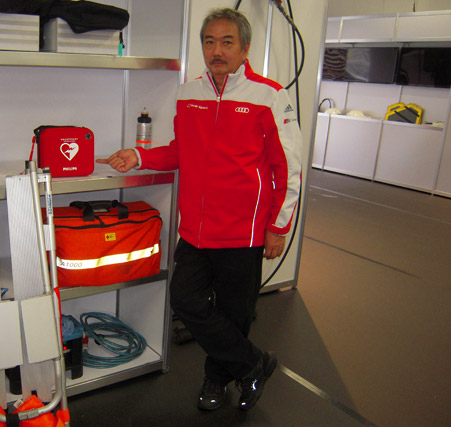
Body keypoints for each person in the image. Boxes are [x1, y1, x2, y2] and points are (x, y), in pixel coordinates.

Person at [97, 8, 302, 412]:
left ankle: (216, 379)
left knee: (235, 313)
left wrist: (278, 227)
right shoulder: (188, 93)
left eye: (227, 42)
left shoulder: (269, 96)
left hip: (243, 231)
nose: (217, 50)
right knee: (185, 300)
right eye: (209, 42)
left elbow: (288, 168)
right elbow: (180, 151)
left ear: (245, 48)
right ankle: (253, 364)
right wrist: (139, 156)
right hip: (195, 229)